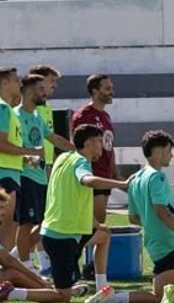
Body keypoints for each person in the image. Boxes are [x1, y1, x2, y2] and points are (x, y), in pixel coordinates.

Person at [40, 124, 129, 294]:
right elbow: (87, 180)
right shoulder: (81, 162)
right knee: (63, 296)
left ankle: (102, 287)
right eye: (99, 141)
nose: (102, 145)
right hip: (61, 236)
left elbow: (73, 199)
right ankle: (14, 292)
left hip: (66, 232)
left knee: (103, 235)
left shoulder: (64, 157)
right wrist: (121, 184)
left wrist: (96, 224)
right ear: (88, 143)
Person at [125, 130, 174, 303]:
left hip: (153, 241)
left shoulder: (135, 179)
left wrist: (153, 225)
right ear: (157, 152)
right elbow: (161, 212)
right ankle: (112, 297)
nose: (171, 155)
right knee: (159, 296)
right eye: (169, 151)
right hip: (169, 241)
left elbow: (133, 218)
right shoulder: (157, 177)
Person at [0, 66, 38, 251]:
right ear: (5, 83)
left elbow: (6, 146)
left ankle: (2, 265)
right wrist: (31, 152)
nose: (19, 83)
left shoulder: (8, 110)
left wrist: (25, 159)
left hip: (10, 172)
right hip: (2, 173)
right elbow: (1, 145)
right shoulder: (1, 108)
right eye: (15, 80)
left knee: (10, 226)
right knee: (4, 226)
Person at [70, 74, 118, 289]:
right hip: (91, 176)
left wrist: (114, 173)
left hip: (104, 176)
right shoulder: (84, 115)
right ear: (95, 91)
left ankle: (88, 265)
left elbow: (109, 147)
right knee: (93, 225)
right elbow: (78, 146)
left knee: (98, 222)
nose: (111, 91)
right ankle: (73, 261)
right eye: (107, 88)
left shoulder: (105, 116)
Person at [15, 73, 51, 268]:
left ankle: (17, 256)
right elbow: (10, 147)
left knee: (45, 222)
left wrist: (77, 149)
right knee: (26, 224)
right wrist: (27, 158)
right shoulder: (15, 116)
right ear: (29, 91)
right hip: (25, 177)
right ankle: (26, 266)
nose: (45, 93)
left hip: (41, 177)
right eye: (41, 89)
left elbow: (52, 137)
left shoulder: (37, 116)